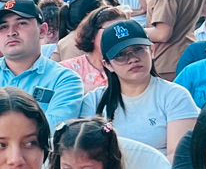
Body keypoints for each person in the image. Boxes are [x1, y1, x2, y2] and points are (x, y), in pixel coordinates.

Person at [0, 0, 85, 126]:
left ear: (42, 30)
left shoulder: (65, 80)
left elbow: (53, 130)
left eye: (21, 23)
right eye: (3, 27)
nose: (11, 32)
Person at [80, 19, 198, 158]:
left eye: (138, 49)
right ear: (107, 65)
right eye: (121, 55)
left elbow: (179, 158)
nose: (133, 59)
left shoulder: (175, 96)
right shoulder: (94, 101)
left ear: (152, 51)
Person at [61, 5, 131, 95]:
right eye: (111, 31)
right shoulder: (68, 69)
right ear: (92, 34)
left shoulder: (132, 65)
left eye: (122, 31)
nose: (117, 36)